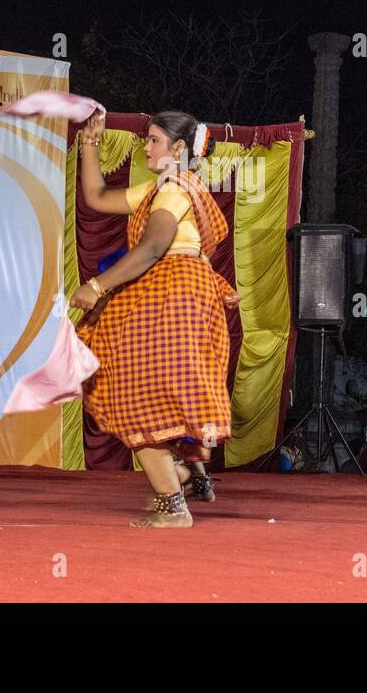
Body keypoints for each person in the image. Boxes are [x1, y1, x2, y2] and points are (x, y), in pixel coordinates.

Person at [71, 109, 238, 527]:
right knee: (167, 391)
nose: (145, 147)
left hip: (174, 296)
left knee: (132, 391)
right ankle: (190, 475)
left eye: (154, 141)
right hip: (180, 296)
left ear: (178, 149)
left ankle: (172, 502)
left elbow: (150, 249)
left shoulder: (173, 190)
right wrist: (89, 144)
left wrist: (97, 287)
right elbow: (96, 197)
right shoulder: (164, 187)